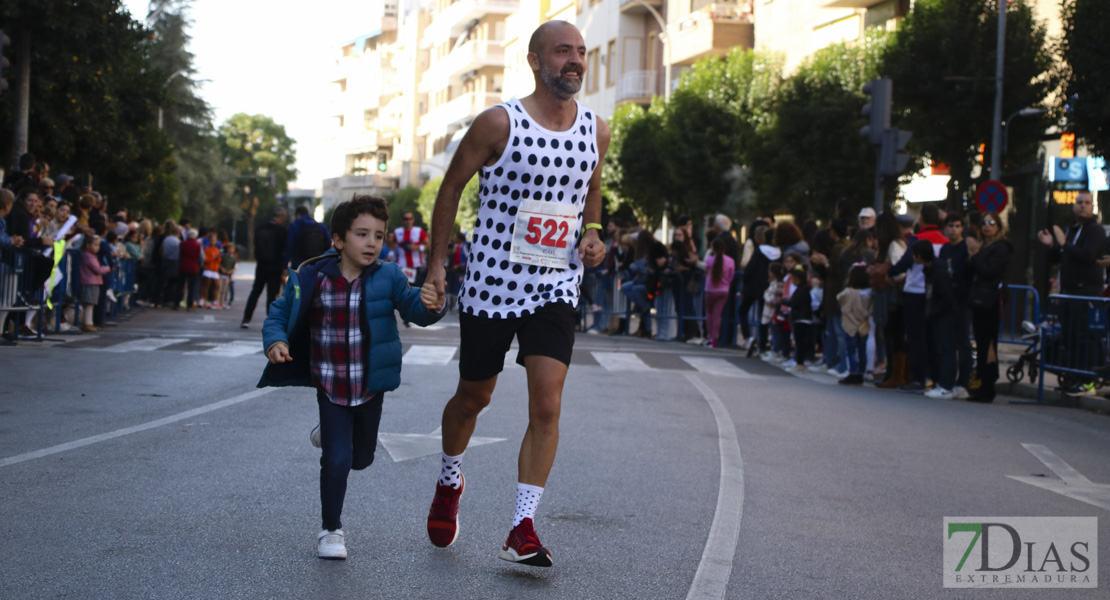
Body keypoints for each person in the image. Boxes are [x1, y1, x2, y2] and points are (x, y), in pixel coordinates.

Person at [418, 20, 609, 568]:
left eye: (581, 52)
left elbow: (592, 188)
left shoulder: (597, 129)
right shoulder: (498, 122)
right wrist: (436, 265)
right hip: (493, 283)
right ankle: (450, 478)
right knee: (474, 397)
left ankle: (522, 525)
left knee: (547, 403)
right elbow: (452, 185)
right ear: (535, 60)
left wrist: (592, 234)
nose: (574, 61)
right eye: (563, 52)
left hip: (555, 282)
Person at [258, 195, 444, 560]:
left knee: (361, 458)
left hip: (369, 388)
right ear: (339, 240)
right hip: (330, 385)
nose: (372, 242)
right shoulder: (313, 276)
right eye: (361, 234)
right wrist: (276, 340)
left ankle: (331, 439)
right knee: (338, 459)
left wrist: (433, 304)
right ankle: (331, 530)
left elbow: (414, 310)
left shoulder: (388, 276)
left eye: (378, 235)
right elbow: (279, 313)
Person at [1038, 190, 1106, 396]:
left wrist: (1064, 244)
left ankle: (1087, 381)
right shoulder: (1071, 229)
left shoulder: (1095, 231)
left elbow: (1086, 256)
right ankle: (1073, 377)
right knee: (1070, 337)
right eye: (1079, 202)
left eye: (1086, 202)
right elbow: (1062, 257)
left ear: (1092, 206)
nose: (1082, 206)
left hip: (1085, 293)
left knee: (1085, 338)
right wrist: (1053, 246)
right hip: (1068, 293)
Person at [889, 205, 948, 392]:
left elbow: (904, 264)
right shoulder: (945, 241)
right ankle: (935, 377)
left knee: (916, 338)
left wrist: (891, 272)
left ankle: (918, 378)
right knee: (932, 338)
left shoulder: (917, 240)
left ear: (921, 219)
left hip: (914, 293)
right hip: (935, 295)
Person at [965, 211, 1012, 403]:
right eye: (984, 223)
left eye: (991, 223)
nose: (987, 226)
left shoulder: (1001, 248)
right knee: (981, 342)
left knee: (989, 343)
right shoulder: (983, 246)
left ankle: (987, 385)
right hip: (980, 299)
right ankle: (982, 382)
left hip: (991, 300)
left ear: (999, 227)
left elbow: (988, 270)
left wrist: (976, 255)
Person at [909, 239, 957, 399]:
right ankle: (938, 381)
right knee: (936, 348)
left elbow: (946, 297)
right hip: (935, 313)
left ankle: (946, 384)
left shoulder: (939, 271)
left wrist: (933, 312)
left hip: (943, 314)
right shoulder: (929, 269)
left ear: (920, 255)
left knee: (945, 348)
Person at [939, 213, 972, 398]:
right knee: (946, 343)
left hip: (963, 301)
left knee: (963, 342)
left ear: (962, 228)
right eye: (950, 226)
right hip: (947, 301)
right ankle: (947, 381)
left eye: (957, 226)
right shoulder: (944, 249)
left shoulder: (965, 248)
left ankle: (963, 382)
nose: (953, 229)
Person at [241, 207, 288, 328]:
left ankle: (246, 318)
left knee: (255, 291)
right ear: (281, 217)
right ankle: (271, 321)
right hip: (275, 265)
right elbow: (285, 249)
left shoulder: (260, 228)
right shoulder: (282, 230)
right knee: (272, 295)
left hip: (261, 265)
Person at [837, 264, 872, 385]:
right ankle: (861, 373)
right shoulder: (869, 293)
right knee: (862, 350)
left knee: (851, 350)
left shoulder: (849, 292)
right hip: (863, 323)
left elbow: (839, 298)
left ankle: (853, 372)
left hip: (851, 324)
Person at [703, 238, 734, 348]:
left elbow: (705, 268)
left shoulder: (710, 260)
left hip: (710, 289)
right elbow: (731, 277)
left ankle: (710, 337)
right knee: (717, 315)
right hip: (724, 290)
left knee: (709, 314)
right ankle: (714, 339)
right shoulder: (730, 261)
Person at [78, 234, 110, 333]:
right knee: (89, 303)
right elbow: (97, 269)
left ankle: (89, 322)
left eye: (98, 245)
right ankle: (87, 323)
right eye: (95, 245)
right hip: (89, 281)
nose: (97, 247)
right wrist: (108, 268)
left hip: (93, 281)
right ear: (88, 245)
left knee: (91, 303)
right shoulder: (88, 256)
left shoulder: (92, 256)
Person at [285, 205, 331, 271]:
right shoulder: (320, 226)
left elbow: (289, 246)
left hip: (298, 266)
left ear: (298, 214)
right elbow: (328, 243)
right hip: (316, 265)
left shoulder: (294, 226)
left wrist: (285, 266)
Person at [394, 211, 429, 286]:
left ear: (413, 220)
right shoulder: (397, 232)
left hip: (416, 266)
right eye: (406, 219)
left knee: (415, 289)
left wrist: (418, 247)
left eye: (410, 218)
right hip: (401, 265)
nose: (408, 221)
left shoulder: (419, 231)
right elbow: (392, 244)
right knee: (402, 288)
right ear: (402, 220)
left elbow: (429, 245)